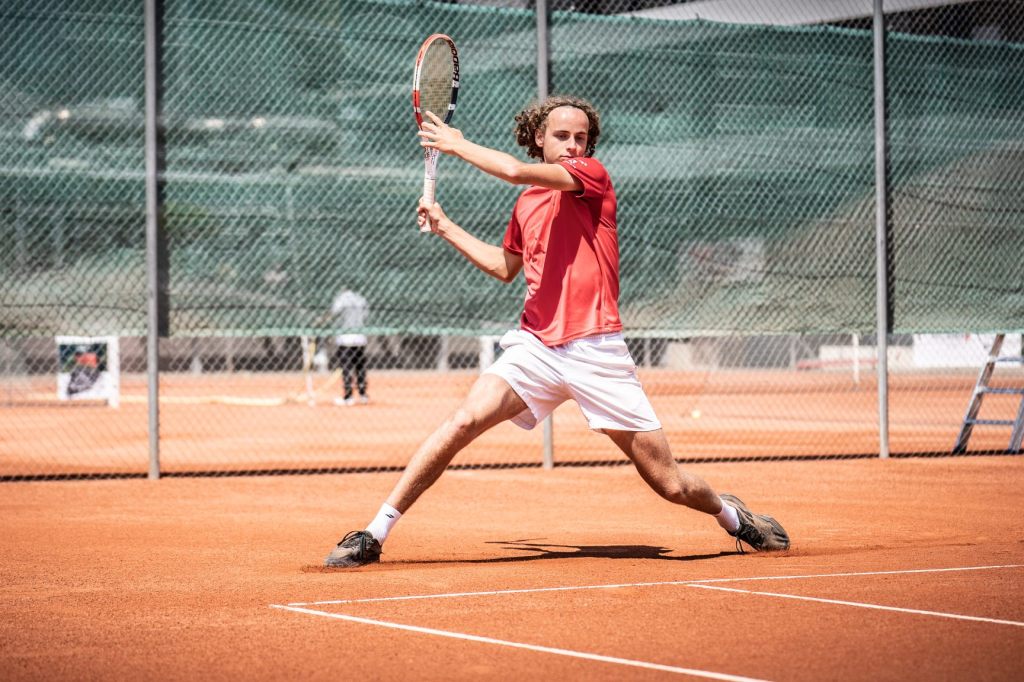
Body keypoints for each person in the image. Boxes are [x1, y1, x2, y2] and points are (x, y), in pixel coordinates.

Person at [324, 95, 789, 567]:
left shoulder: (592, 177)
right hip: (536, 347)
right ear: (539, 138)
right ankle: (374, 533)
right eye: (562, 136)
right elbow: (504, 267)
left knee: (671, 484)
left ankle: (732, 517)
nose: (572, 145)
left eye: (580, 137)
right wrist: (446, 227)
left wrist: (455, 144)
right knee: (463, 420)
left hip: (596, 350)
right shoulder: (527, 203)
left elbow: (510, 169)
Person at [329, 287, 370, 406]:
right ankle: (363, 395)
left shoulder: (341, 299)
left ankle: (348, 396)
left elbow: (334, 313)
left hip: (345, 337)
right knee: (360, 367)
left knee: (346, 367)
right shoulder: (360, 299)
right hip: (360, 337)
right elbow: (366, 316)